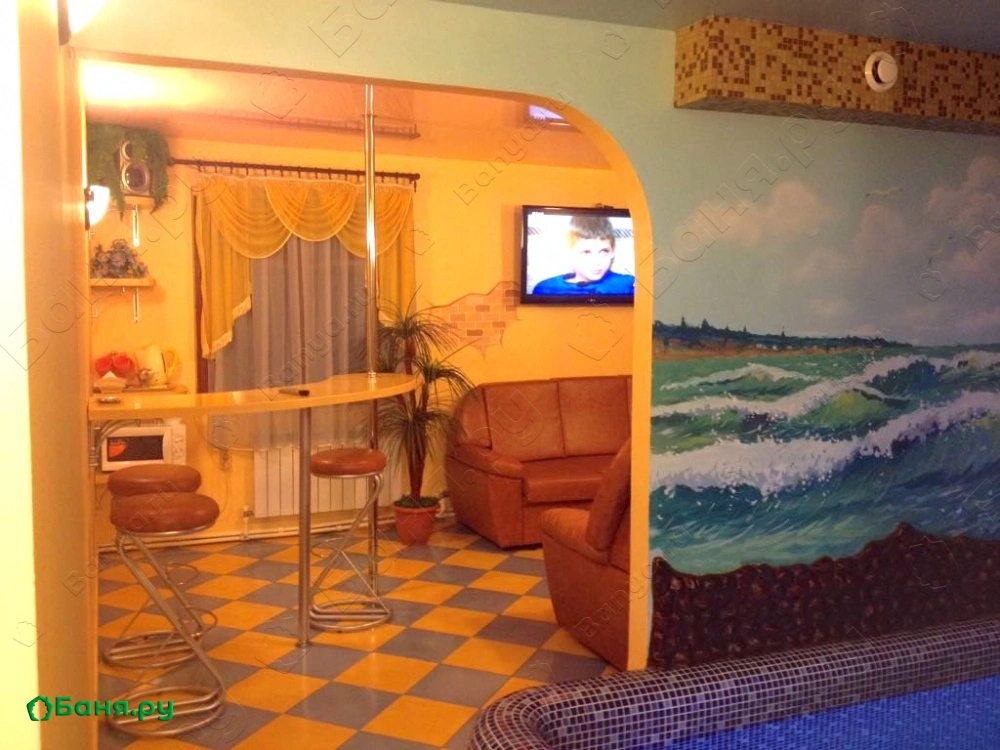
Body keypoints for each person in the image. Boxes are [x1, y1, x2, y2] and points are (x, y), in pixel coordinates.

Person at [532, 214, 635, 295]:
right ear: (569, 253)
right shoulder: (546, 288)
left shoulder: (628, 284)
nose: (597, 262)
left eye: (604, 251)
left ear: (613, 252)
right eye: (586, 252)